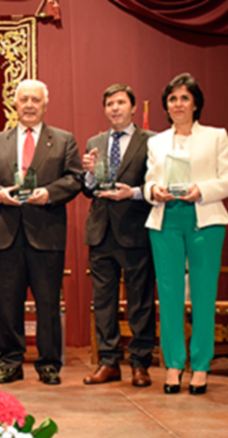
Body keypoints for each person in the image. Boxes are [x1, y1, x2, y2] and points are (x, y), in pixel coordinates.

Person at [144, 73, 228, 394]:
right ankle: (173, 365)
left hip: (204, 220)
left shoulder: (216, 137)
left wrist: (202, 189)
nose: (178, 104)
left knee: (203, 295)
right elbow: (148, 180)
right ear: (166, 105)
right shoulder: (155, 142)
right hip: (165, 221)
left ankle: (200, 366)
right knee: (170, 296)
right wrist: (153, 190)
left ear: (196, 103)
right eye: (172, 99)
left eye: (184, 98)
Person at [0, 79, 84, 385]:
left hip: (47, 232)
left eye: (36, 100)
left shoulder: (64, 139)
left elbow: (75, 178)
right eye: (24, 99)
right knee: (8, 302)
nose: (29, 105)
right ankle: (10, 362)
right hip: (7, 232)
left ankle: (49, 363)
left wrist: (49, 192)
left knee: (47, 302)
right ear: (14, 104)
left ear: (45, 104)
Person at [81, 84, 155, 387]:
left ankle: (140, 364)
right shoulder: (95, 141)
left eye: (121, 103)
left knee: (140, 302)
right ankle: (108, 362)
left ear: (133, 107)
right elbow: (89, 189)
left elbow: (157, 184)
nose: (115, 108)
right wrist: (87, 171)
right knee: (104, 302)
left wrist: (134, 193)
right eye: (109, 103)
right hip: (100, 232)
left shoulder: (151, 141)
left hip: (136, 231)